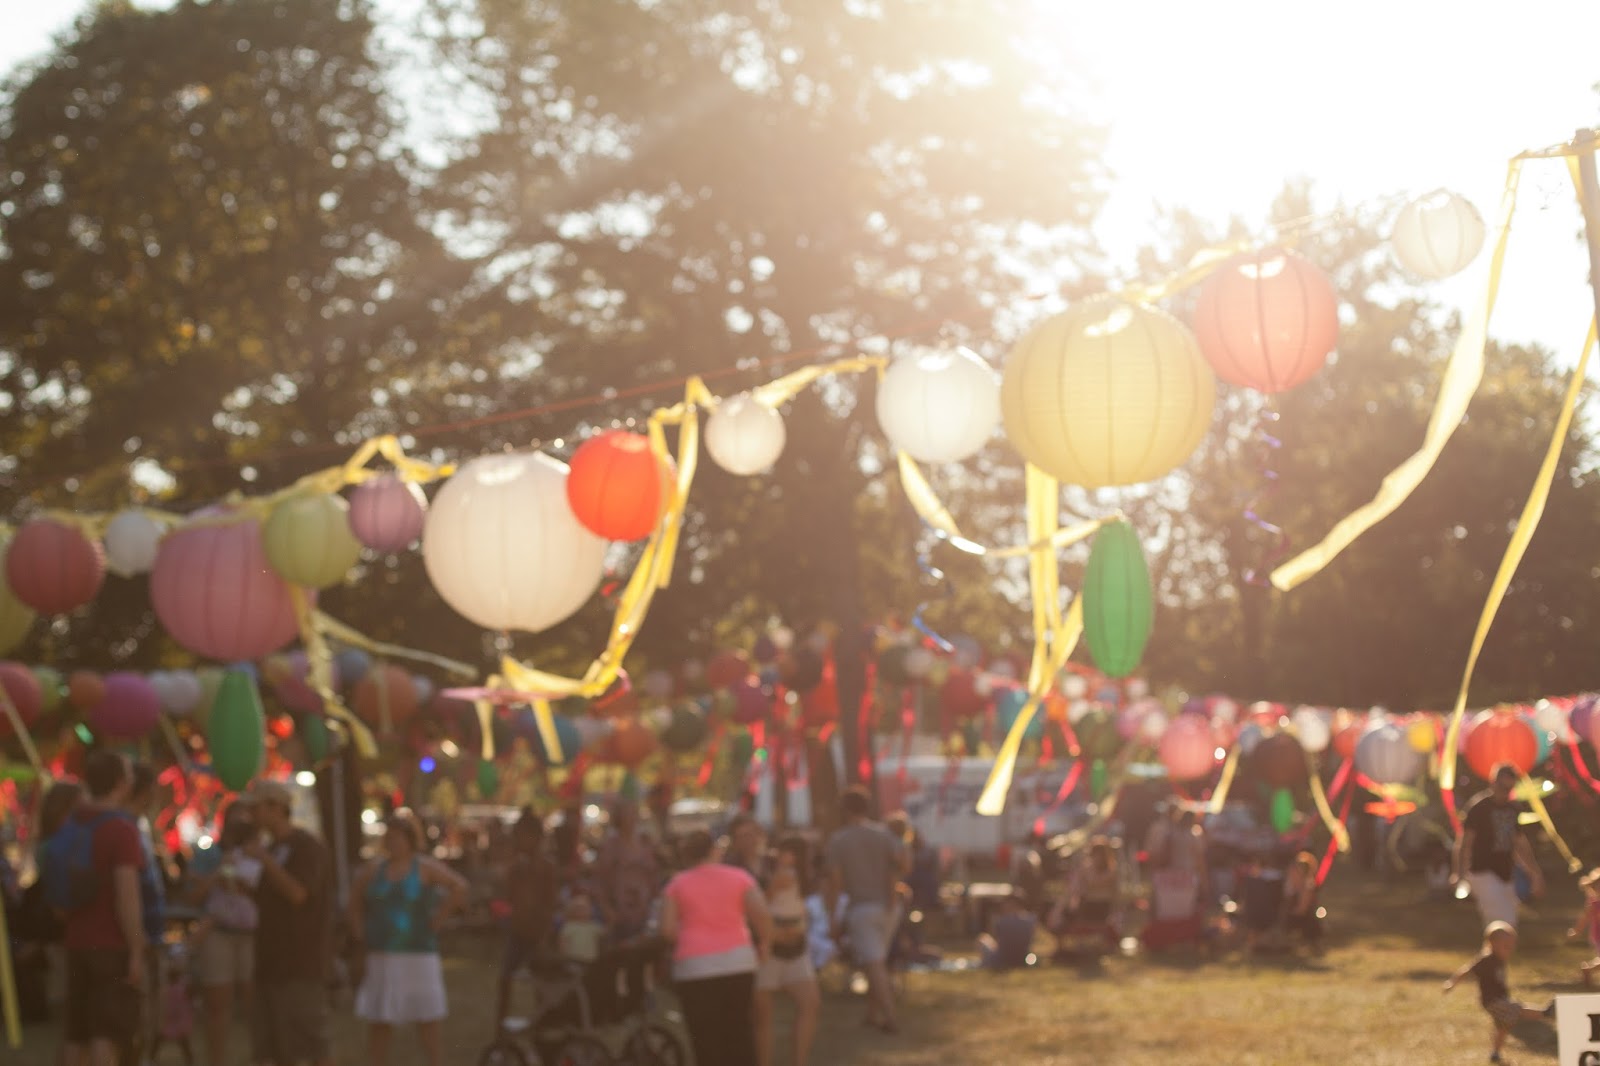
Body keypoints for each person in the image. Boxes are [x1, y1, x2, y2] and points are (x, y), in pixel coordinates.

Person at [350, 808, 468, 1066]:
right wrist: (359, 932)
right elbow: (355, 899)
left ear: (410, 840)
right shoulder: (374, 870)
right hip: (383, 953)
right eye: (389, 837)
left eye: (398, 837)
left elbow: (459, 886)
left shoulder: (424, 868)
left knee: (427, 1017)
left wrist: (439, 918)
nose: (393, 843)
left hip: (418, 952)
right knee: (380, 1019)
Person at [60, 750, 147, 1066]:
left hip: (75, 939)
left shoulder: (74, 822)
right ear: (121, 783)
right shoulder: (121, 830)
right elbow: (127, 895)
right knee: (106, 1034)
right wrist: (136, 948)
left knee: (76, 1033)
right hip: (109, 945)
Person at [659, 829, 772, 1066]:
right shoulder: (739, 877)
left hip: (694, 966)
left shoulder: (677, 884)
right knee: (739, 1030)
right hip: (738, 961)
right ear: (715, 850)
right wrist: (764, 942)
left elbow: (667, 930)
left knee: (705, 1038)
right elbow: (761, 914)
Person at [242, 778, 334, 1066]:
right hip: (270, 961)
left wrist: (265, 861)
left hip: (300, 962)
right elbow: (270, 897)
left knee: (311, 1043)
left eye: (257, 809)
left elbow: (298, 893)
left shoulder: (306, 847)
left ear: (277, 808)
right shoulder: (273, 847)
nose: (252, 816)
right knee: (275, 1048)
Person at [824, 786, 905, 1034]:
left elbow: (835, 883)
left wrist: (833, 917)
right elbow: (902, 864)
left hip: (862, 908)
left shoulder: (839, 840)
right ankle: (872, 1014)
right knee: (877, 959)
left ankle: (890, 1016)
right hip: (890, 906)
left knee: (874, 964)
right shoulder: (885, 835)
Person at [187, 801, 260, 1066]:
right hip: (219, 932)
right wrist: (218, 875)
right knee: (217, 1005)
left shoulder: (260, 854)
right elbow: (193, 896)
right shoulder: (209, 854)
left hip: (250, 935)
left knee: (255, 1005)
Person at [13, 781, 79, 1023]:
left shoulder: (52, 843)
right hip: (58, 927)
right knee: (67, 1000)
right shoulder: (57, 845)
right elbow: (60, 894)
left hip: (55, 928)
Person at [1443, 921, 1554, 1063]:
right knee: (1517, 1009)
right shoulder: (1486, 960)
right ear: (1493, 944)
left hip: (1500, 998)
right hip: (1493, 1001)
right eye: (1507, 946)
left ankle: (1495, 1053)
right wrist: (1451, 983)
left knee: (1503, 1027)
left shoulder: (1498, 959)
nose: (1510, 949)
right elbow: (1467, 970)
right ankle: (1545, 1012)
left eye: (1512, 946)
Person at [591, 799, 660, 1015]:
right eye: (627, 815)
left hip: (642, 909)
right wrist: (606, 908)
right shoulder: (611, 846)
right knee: (617, 959)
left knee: (640, 958)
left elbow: (653, 876)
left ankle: (638, 1000)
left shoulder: (645, 844)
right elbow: (600, 880)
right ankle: (613, 1003)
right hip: (619, 910)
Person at [1454, 764, 1544, 929]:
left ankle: (1493, 954)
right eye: (1502, 786)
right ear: (1493, 783)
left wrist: (1534, 873)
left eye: (1509, 787)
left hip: (1505, 874)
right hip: (1482, 872)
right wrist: (1459, 875)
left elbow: (1519, 844)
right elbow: (1464, 843)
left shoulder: (1513, 809)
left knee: (1507, 923)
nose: (1505, 792)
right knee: (1502, 921)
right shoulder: (1479, 808)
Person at [757, 836, 821, 1066]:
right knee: (762, 1015)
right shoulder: (772, 874)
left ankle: (799, 1061)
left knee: (810, 1002)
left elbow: (798, 910)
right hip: (770, 947)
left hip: (796, 946)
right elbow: (761, 906)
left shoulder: (801, 878)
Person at [494, 809, 560, 1029]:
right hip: (519, 931)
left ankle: (543, 1024)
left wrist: (545, 932)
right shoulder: (516, 868)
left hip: (539, 932)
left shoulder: (546, 868)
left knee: (541, 984)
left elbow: (550, 903)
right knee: (506, 977)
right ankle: (501, 1024)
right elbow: (509, 897)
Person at [126, 762, 167, 1064]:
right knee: (134, 1017)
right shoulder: (125, 827)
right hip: (136, 936)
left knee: (147, 1014)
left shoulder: (138, 826)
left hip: (148, 933)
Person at [977, 890, 1037, 971]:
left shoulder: (1002, 921)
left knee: (982, 938)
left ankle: (984, 965)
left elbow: (997, 940)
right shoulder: (1031, 919)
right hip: (1022, 959)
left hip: (1001, 960)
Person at [1281, 851, 1324, 953]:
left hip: (1304, 917)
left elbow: (1302, 909)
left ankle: (1311, 944)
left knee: (1307, 923)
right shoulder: (1291, 886)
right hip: (1296, 914)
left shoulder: (1308, 885)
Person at [1568, 867, 1600, 985]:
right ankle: (1588, 969)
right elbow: (1584, 919)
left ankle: (1588, 969)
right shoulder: (1594, 905)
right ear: (1594, 888)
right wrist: (1576, 931)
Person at [557, 891, 605, 964]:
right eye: (578, 908)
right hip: (573, 960)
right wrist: (564, 958)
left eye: (584, 908)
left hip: (591, 960)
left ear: (590, 910)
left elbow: (605, 933)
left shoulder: (594, 926)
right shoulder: (569, 926)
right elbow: (563, 944)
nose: (581, 911)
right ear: (572, 910)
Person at [724, 812, 767, 880]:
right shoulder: (729, 866)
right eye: (742, 837)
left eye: (751, 834)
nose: (748, 840)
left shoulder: (771, 862)